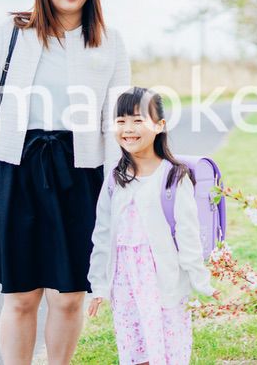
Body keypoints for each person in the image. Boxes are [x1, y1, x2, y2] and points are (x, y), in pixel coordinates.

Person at [0, 0, 131, 365]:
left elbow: (119, 122)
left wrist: (121, 187)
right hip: (14, 170)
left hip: (81, 173)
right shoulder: (13, 33)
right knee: (21, 295)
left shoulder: (109, 40)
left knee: (69, 294)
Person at [87, 87, 218, 365]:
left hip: (163, 280)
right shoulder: (115, 177)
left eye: (137, 120)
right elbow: (103, 233)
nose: (128, 129)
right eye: (120, 121)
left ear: (159, 126)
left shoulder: (173, 176)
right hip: (126, 284)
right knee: (135, 352)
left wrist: (200, 280)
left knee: (168, 351)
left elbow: (187, 234)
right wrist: (99, 284)